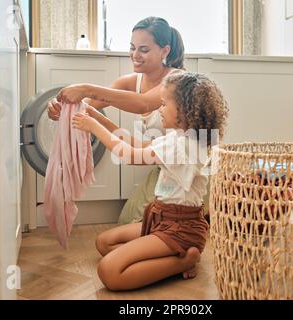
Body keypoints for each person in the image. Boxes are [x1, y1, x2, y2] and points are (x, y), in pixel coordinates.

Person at [71, 71, 228, 291]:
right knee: (105, 243)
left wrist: (93, 127)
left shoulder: (181, 145)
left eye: (164, 104)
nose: (158, 109)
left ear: (184, 110)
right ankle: (173, 258)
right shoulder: (181, 137)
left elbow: (129, 155)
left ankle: (184, 260)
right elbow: (133, 143)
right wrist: (97, 116)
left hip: (180, 228)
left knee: (109, 272)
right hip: (161, 220)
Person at [47, 16, 188, 225]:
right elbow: (87, 104)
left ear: (165, 51)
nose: (135, 55)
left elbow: (143, 104)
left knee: (154, 227)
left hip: (190, 170)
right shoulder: (132, 81)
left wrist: (86, 88)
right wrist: (60, 107)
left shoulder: (178, 79)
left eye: (144, 50)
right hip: (164, 168)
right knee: (127, 222)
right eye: (132, 47)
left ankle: (194, 221)